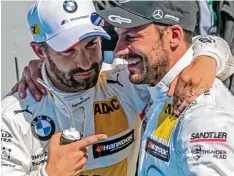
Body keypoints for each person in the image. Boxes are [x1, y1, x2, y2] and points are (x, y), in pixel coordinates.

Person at [4, 1, 234, 176]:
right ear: (39, 52)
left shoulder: (124, 81)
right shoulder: (13, 115)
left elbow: (174, 58)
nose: (84, 62)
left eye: (92, 44)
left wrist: (208, 57)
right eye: (68, 51)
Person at [94, 1, 234, 175]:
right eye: (119, 36)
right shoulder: (155, 83)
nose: (118, 50)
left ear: (174, 36)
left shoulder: (205, 116)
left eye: (130, 37)